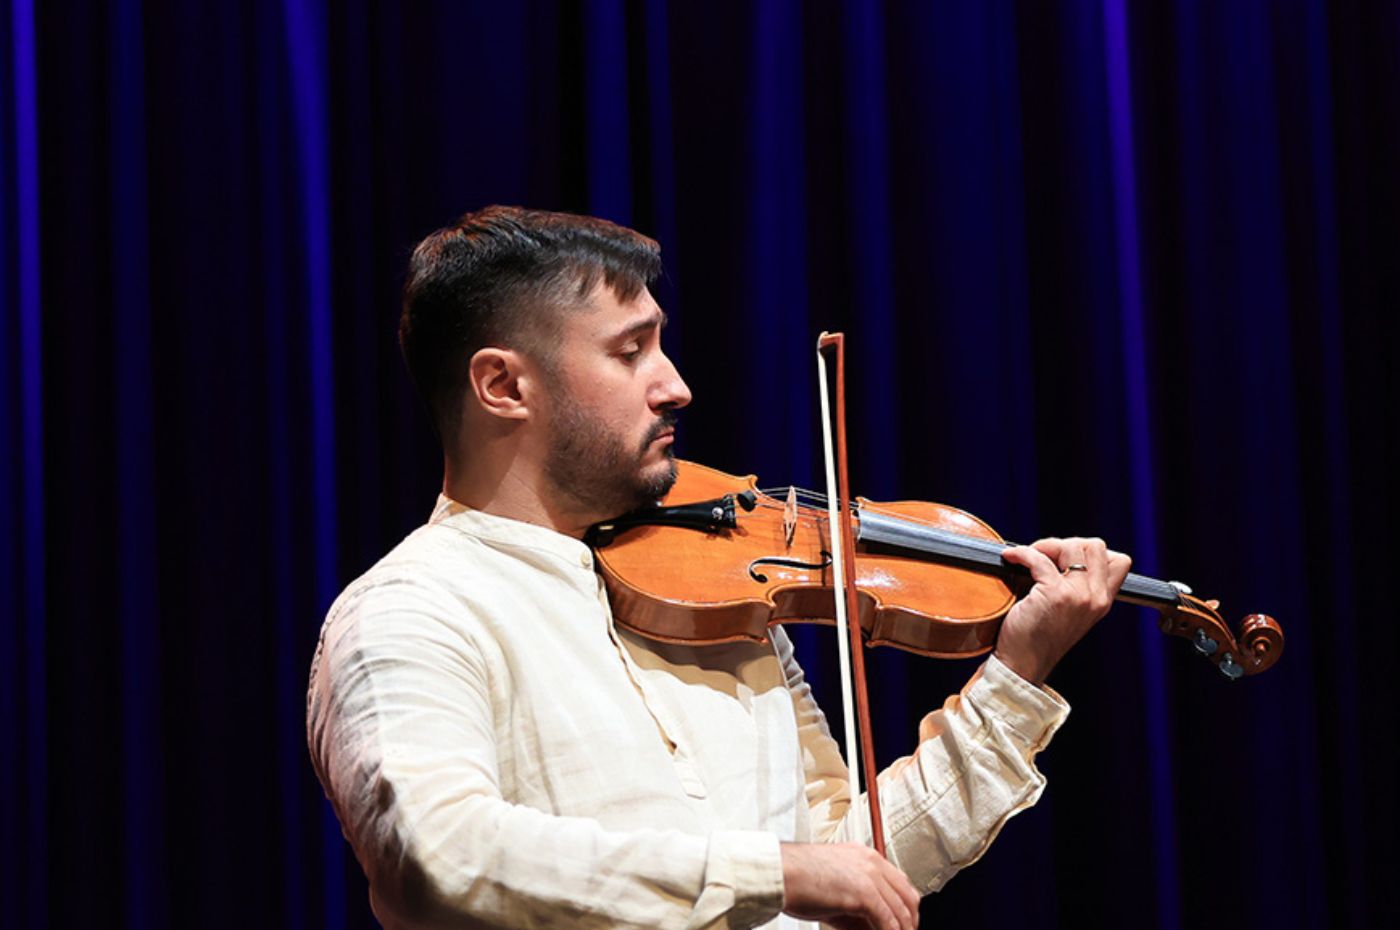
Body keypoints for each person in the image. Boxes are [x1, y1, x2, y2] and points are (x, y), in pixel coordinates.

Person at [306, 206, 1132, 930]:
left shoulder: (715, 593)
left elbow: (851, 865)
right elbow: (437, 852)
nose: (676, 386)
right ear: (502, 385)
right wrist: (773, 872)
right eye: (631, 352)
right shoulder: (411, 611)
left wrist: (1015, 676)